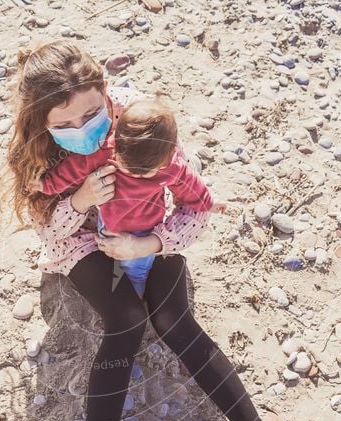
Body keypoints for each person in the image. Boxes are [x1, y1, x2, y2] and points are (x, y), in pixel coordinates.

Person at [0, 39, 298, 421]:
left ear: (106, 91)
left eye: (92, 114)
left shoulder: (139, 124)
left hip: (148, 234)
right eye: (65, 125)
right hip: (83, 243)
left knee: (173, 321)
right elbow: (50, 234)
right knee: (126, 321)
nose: (82, 131)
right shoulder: (39, 150)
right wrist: (78, 202)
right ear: (41, 122)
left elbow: (193, 204)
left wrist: (152, 245)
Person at [33, 96, 214, 298]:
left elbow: (192, 187)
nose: (135, 175)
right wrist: (46, 184)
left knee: (135, 270)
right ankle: (115, 279)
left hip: (144, 231)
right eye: (127, 166)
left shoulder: (170, 166)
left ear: (164, 161)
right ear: (116, 145)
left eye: (145, 173)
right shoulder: (106, 151)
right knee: (110, 258)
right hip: (107, 223)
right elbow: (73, 169)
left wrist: (209, 202)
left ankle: (135, 293)